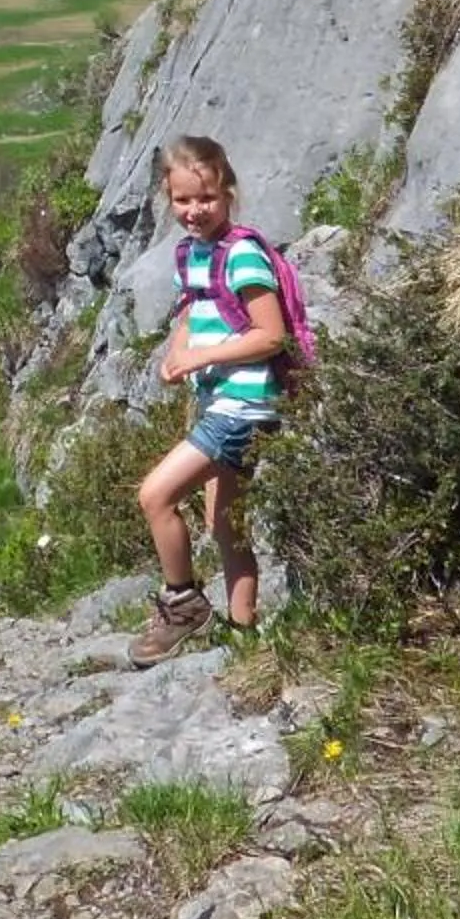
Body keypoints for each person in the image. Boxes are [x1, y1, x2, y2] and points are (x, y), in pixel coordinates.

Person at [130, 134, 288, 667]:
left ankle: (183, 605)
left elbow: (271, 335)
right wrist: (177, 354)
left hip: (243, 407)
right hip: (219, 401)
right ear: (167, 199)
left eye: (206, 199)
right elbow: (194, 314)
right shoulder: (193, 253)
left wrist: (200, 359)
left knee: (155, 497)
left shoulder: (242, 254)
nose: (194, 211)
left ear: (229, 194)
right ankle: (245, 637)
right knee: (224, 524)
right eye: (182, 200)